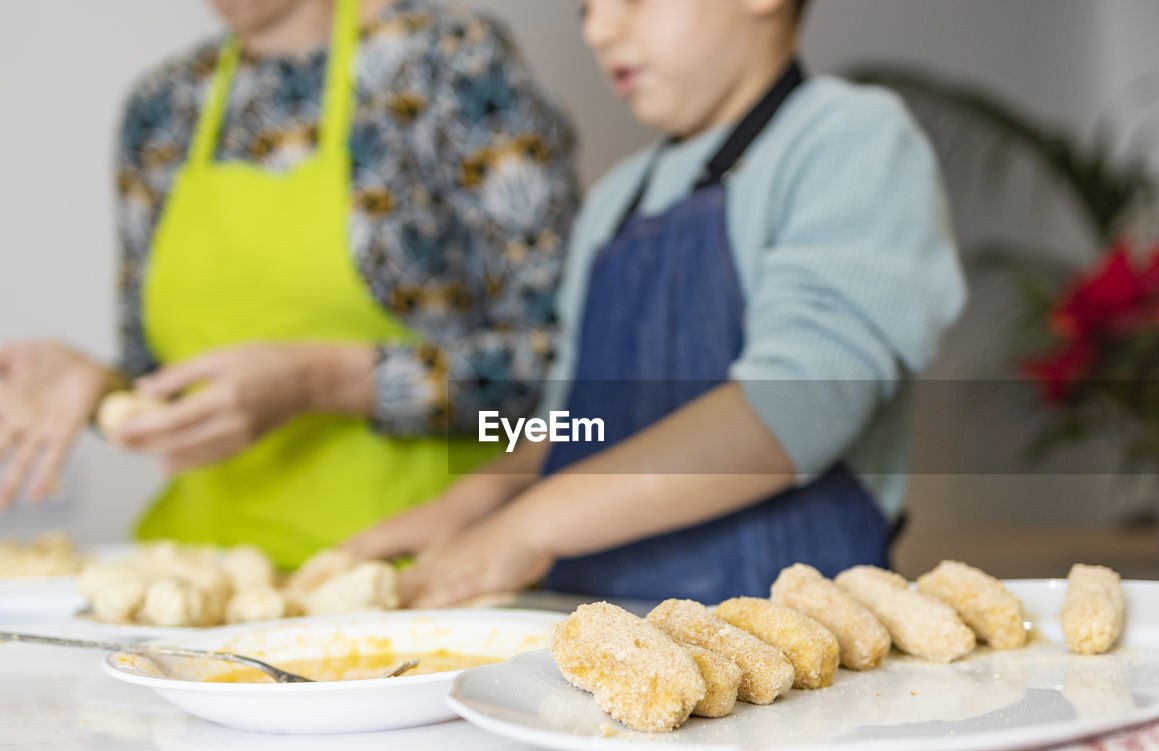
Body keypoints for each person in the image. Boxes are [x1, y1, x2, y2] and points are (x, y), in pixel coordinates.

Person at [347, 0, 966, 606]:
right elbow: (569, 420)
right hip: (594, 633)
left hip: (793, 650)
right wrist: (470, 506)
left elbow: (795, 406)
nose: (598, 29)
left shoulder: (849, 138)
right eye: (584, 9)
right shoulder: (616, 202)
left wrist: (527, 527)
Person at [0, 0, 577, 567]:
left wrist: (320, 382)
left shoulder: (447, 63)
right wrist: (98, 388)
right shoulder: (163, 105)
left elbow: (569, 375)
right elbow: (165, 385)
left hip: (413, 570)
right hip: (204, 576)